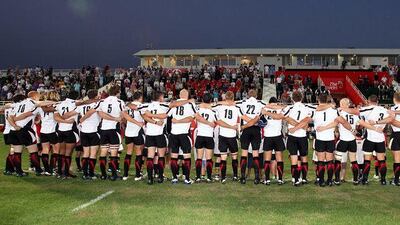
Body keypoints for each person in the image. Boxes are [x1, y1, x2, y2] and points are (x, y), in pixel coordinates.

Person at [213, 91, 255, 184]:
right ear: (233, 98)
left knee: (223, 157)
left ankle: (223, 177)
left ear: (225, 98)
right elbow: (244, 117)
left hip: (223, 135)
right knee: (234, 156)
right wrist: (254, 120)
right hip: (232, 135)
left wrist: (220, 102)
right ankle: (235, 176)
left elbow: (211, 106)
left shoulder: (219, 106)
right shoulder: (237, 107)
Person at [311, 94, 351, 187]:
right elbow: (340, 121)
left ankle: (321, 181)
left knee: (320, 161)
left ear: (318, 100)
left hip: (320, 138)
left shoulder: (315, 110)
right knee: (329, 161)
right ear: (327, 100)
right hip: (330, 138)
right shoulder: (334, 110)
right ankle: (329, 180)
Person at [62, 90, 101, 180]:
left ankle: (85, 174)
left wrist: (63, 117)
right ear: (95, 97)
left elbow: (67, 115)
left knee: (86, 153)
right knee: (93, 154)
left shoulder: (81, 106)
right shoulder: (97, 104)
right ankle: (91, 174)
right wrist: (82, 119)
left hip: (83, 132)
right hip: (94, 131)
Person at [356, 95, 393, 185]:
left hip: (370, 138)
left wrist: (358, 108)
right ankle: (383, 180)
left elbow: (357, 113)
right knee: (382, 160)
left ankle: (365, 179)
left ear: (368, 101)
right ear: (377, 101)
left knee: (367, 160)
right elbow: (391, 118)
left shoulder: (368, 109)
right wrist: (378, 123)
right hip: (380, 139)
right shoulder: (384, 109)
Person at [168, 89, 197, 184]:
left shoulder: (174, 103)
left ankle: (174, 177)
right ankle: (187, 179)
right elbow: (192, 117)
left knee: (174, 156)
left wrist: (177, 121)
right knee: (187, 156)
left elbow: (168, 115)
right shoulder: (190, 104)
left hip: (174, 133)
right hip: (184, 133)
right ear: (187, 95)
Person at [96, 85, 125, 181]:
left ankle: (103, 175)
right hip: (114, 129)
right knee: (114, 153)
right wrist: (116, 119)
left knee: (103, 152)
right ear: (117, 92)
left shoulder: (102, 101)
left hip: (104, 129)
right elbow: (122, 116)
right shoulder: (120, 102)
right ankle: (113, 175)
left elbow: (100, 113)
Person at [236, 89, 264, 184]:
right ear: (256, 96)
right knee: (256, 154)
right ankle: (257, 178)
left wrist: (247, 124)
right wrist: (253, 122)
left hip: (246, 129)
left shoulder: (243, 102)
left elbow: (233, 104)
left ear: (247, 95)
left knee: (244, 154)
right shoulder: (260, 103)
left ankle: (243, 177)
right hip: (256, 130)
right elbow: (269, 106)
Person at [54, 91, 80, 179]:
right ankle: (66, 173)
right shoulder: (76, 103)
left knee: (61, 152)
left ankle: (60, 172)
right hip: (70, 130)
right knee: (68, 153)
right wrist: (68, 121)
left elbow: (56, 117)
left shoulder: (60, 103)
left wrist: (64, 121)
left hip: (61, 130)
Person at [122, 91, 147, 181]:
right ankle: (137, 175)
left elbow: (124, 117)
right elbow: (146, 116)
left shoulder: (127, 105)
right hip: (137, 131)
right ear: (140, 97)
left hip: (128, 131)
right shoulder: (141, 106)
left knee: (128, 152)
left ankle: (125, 174)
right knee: (138, 153)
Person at [335, 98, 361, 185]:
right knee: (353, 160)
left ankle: (337, 179)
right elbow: (359, 125)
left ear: (343, 104)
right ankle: (355, 179)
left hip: (343, 140)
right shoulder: (354, 114)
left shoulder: (339, 111)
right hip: (352, 140)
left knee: (338, 160)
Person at [261, 97, 286, 185]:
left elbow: (279, 117)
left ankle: (267, 179)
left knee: (267, 159)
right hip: (276, 136)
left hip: (269, 136)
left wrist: (267, 112)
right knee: (279, 159)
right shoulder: (279, 109)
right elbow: (280, 116)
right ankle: (279, 179)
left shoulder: (265, 109)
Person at [194, 93, 217, 183]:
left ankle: (198, 177)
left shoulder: (197, 108)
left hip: (200, 135)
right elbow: (216, 121)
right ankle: (209, 177)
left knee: (199, 158)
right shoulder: (214, 110)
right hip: (209, 136)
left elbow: (195, 115)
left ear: (202, 100)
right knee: (209, 158)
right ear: (211, 100)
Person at [37, 91, 60, 176]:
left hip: (43, 131)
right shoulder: (56, 105)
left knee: (45, 150)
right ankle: (52, 168)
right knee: (56, 150)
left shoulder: (41, 106)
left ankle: (46, 170)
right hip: (53, 130)